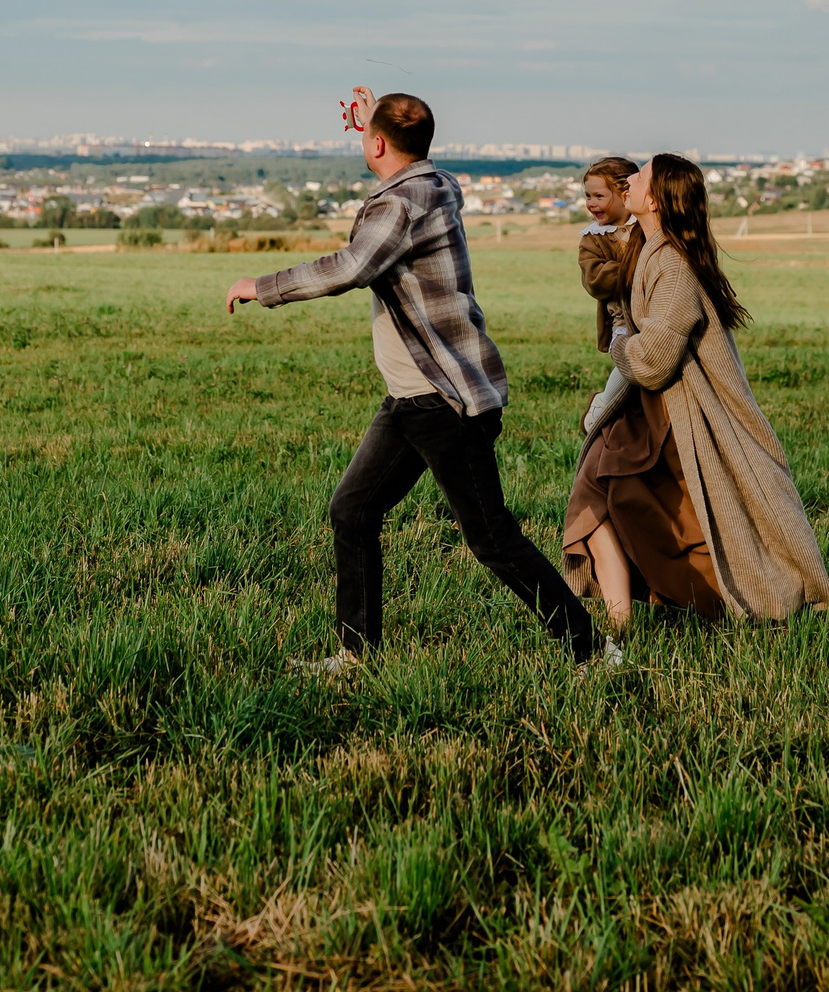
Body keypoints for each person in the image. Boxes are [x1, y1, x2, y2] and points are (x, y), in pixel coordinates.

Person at [227, 88, 612, 673]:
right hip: (412, 398)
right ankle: (355, 657)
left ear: (377, 144)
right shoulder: (433, 185)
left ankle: (591, 650)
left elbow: (351, 266)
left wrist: (264, 286)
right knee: (352, 512)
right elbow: (406, 156)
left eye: (368, 138)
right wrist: (381, 120)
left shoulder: (401, 207)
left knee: (490, 537)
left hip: (445, 401)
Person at [562, 153, 829, 630]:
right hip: (648, 411)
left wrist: (622, 341)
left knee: (690, 515)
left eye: (640, 176)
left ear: (656, 198)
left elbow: (653, 360)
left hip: (676, 412)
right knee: (599, 490)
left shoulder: (673, 265)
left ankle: (753, 599)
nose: (630, 181)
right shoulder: (648, 247)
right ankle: (619, 621)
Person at [576, 155, 642, 351]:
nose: (591, 203)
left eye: (599, 196)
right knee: (627, 370)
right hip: (621, 321)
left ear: (625, 195)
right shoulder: (593, 237)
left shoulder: (644, 226)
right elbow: (594, 280)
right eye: (588, 196)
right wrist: (637, 269)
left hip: (654, 316)